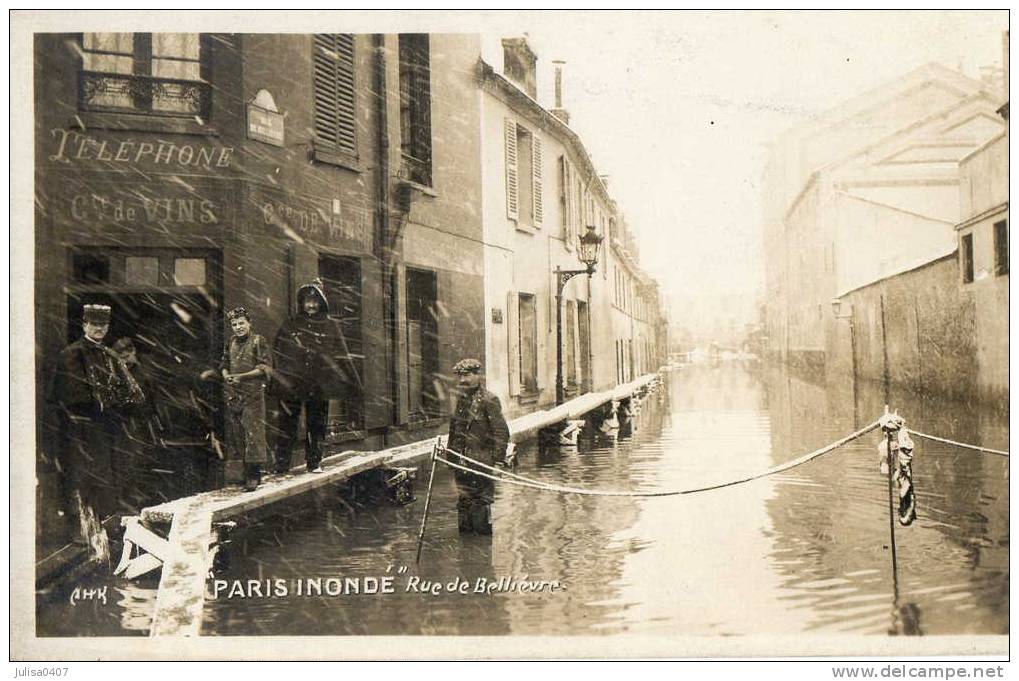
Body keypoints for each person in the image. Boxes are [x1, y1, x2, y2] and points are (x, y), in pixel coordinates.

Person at [46, 304, 145, 550]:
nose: (99, 328)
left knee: (104, 477)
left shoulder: (111, 356)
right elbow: (70, 395)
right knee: (79, 477)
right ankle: (79, 529)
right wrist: (101, 403)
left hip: (105, 428)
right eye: (94, 324)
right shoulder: (71, 354)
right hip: (79, 430)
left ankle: (102, 529)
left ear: (108, 327)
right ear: (84, 325)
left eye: (103, 325)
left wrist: (117, 405)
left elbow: (133, 394)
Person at [272, 278, 352, 474]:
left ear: (321, 302)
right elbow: (279, 350)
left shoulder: (330, 325)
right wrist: (285, 374)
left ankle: (314, 462)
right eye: (307, 301)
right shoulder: (290, 324)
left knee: (316, 424)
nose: (311, 305)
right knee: (287, 423)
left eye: (315, 301)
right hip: (293, 383)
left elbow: (340, 353)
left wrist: (340, 377)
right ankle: (281, 464)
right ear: (302, 302)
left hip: (318, 384)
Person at [446, 358, 510, 535]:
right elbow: (455, 430)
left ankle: (481, 549)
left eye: (466, 375)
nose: (462, 380)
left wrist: (497, 462)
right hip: (461, 463)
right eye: (460, 376)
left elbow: (501, 432)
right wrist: (451, 458)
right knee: (464, 503)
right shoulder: (460, 400)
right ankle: (466, 549)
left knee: (481, 504)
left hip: (481, 462)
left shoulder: (489, 400)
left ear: (477, 375)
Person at [219, 307, 272, 491]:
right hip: (235, 395)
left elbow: (264, 368)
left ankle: (254, 476)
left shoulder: (258, 341)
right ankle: (243, 473)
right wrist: (226, 375)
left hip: (253, 395)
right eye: (234, 324)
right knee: (238, 435)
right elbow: (224, 364)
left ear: (249, 323)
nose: (238, 327)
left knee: (253, 434)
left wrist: (242, 376)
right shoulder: (231, 342)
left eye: (241, 323)